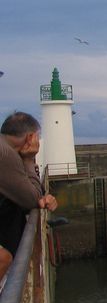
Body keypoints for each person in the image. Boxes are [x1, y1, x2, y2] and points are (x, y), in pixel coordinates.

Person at [0, 112, 58, 283]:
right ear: (31, 137)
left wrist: (42, 196)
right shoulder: (6, 154)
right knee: (4, 258)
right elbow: (32, 198)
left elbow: (31, 193)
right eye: (38, 137)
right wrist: (29, 159)